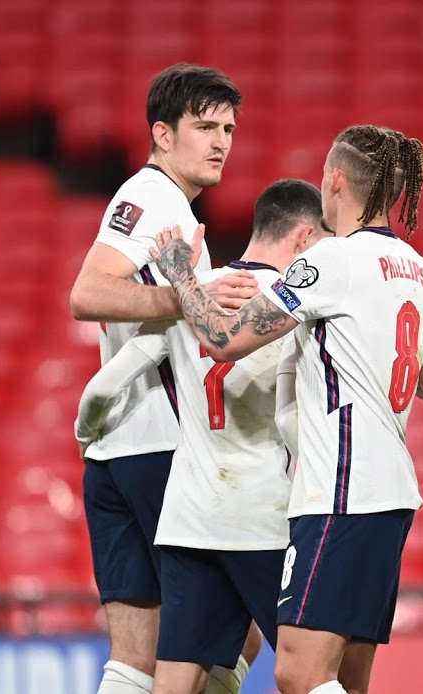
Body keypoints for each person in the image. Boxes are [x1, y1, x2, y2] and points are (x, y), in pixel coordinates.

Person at [147, 124, 423, 694]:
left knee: (297, 673)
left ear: (334, 180)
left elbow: (223, 339)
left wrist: (180, 275)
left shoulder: (331, 260)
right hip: (393, 496)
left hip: (340, 492)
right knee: (346, 677)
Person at [74, 180, 329, 694]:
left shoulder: (195, 292)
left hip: (188, 517)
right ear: (304, 238)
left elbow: (104, 385)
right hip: (262, 517)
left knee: (175, 681)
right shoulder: (293, 306)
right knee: (315, 675)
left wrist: (87, 435)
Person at [67, 62, 260, 694]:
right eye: (205, 126)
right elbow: (89, 291)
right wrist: (188, 294)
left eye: (229, 128)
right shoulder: (153, 198)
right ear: (163, 134)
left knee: (134, 659)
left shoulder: (160, 201)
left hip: (116, 452)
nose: (221, 141)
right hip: (163, 452)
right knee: (238, 630)